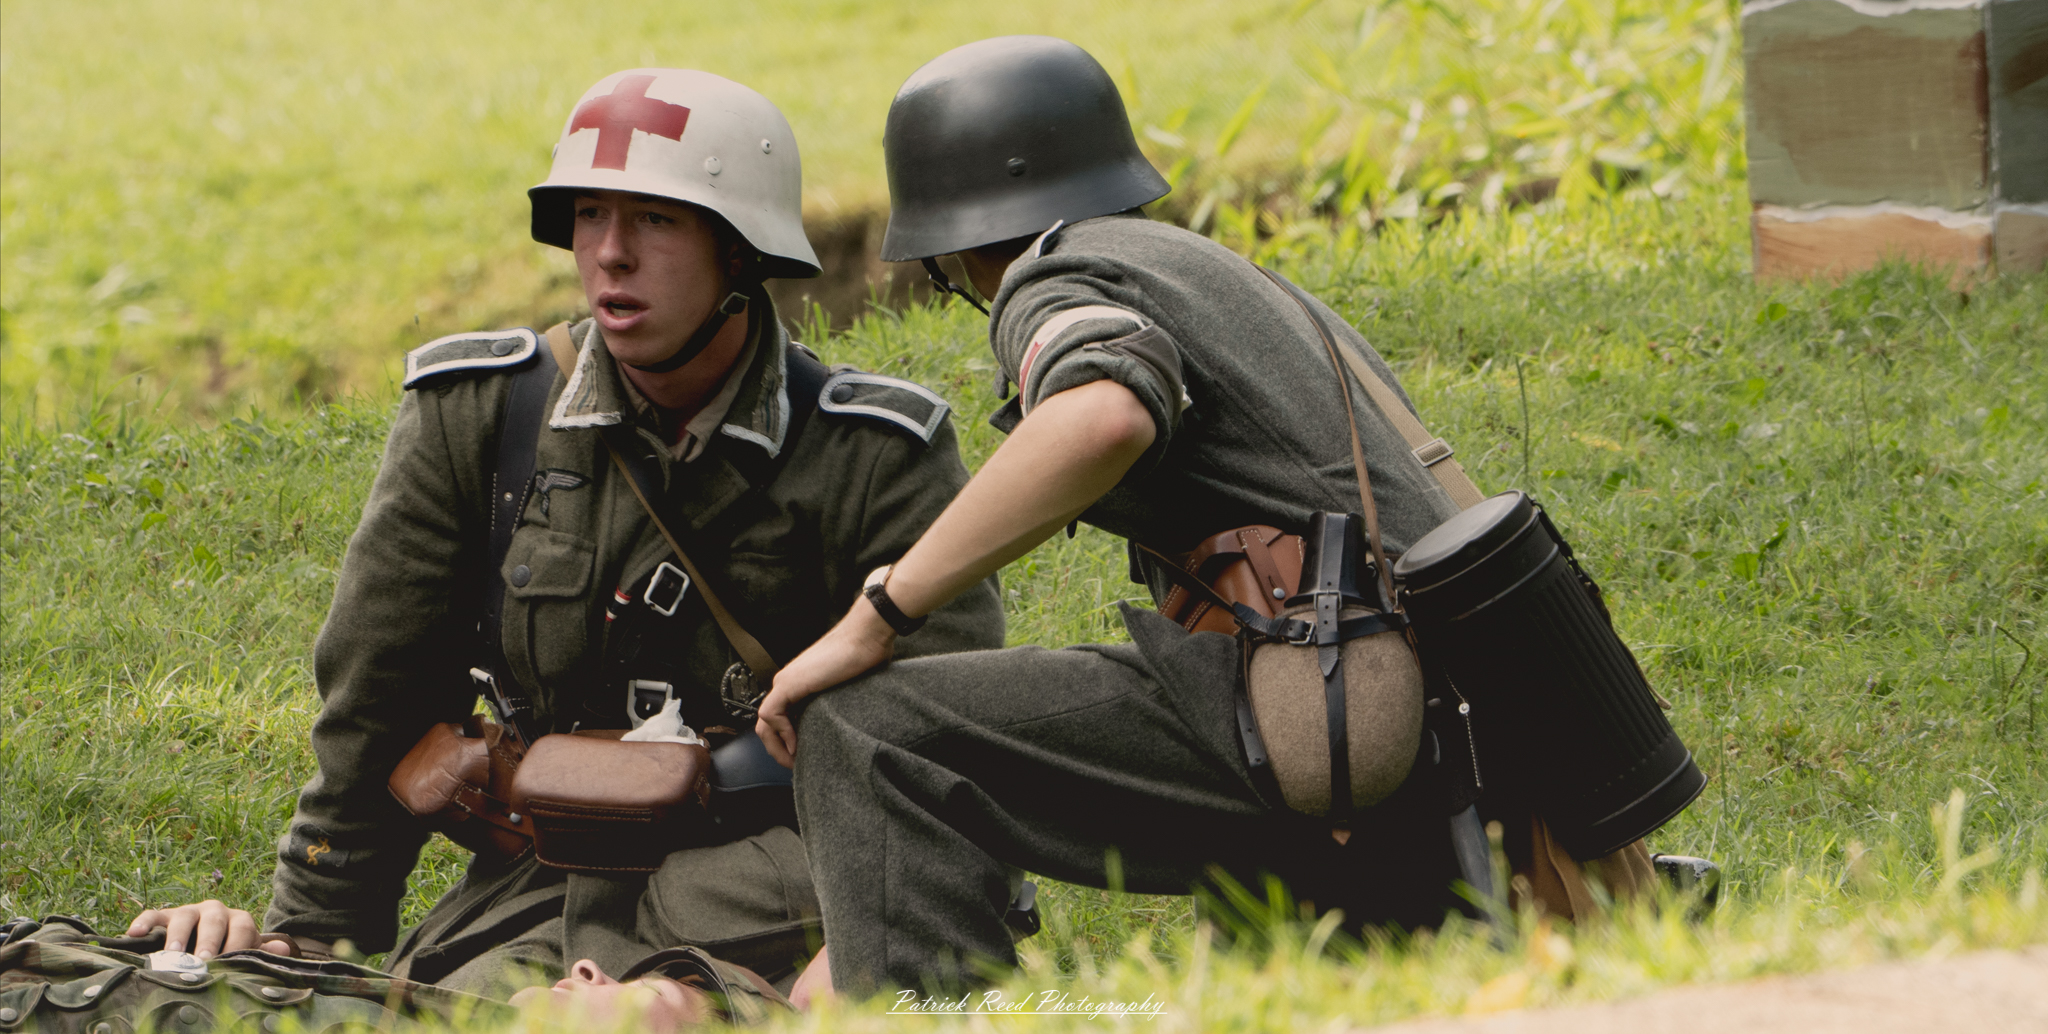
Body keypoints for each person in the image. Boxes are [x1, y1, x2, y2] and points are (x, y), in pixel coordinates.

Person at [754, 37, 1672, 998]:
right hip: (1425, 716)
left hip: (1359, 708)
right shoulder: (1189, 265)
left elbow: (1104, 411)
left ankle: (917, 1016)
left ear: (951, 243)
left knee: (866, 726)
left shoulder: (1055, 278)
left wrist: (878, 616)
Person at [121, 67, 1005, 1001]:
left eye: (656, 221)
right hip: (540, 881)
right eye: (589, 214)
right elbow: (378, 689)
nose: (611, 255)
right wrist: (309, 933)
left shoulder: (869, 451)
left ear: (741, 253)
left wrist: (854, 967)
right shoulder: (481, 415)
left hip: (784, 879)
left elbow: (953, 741)